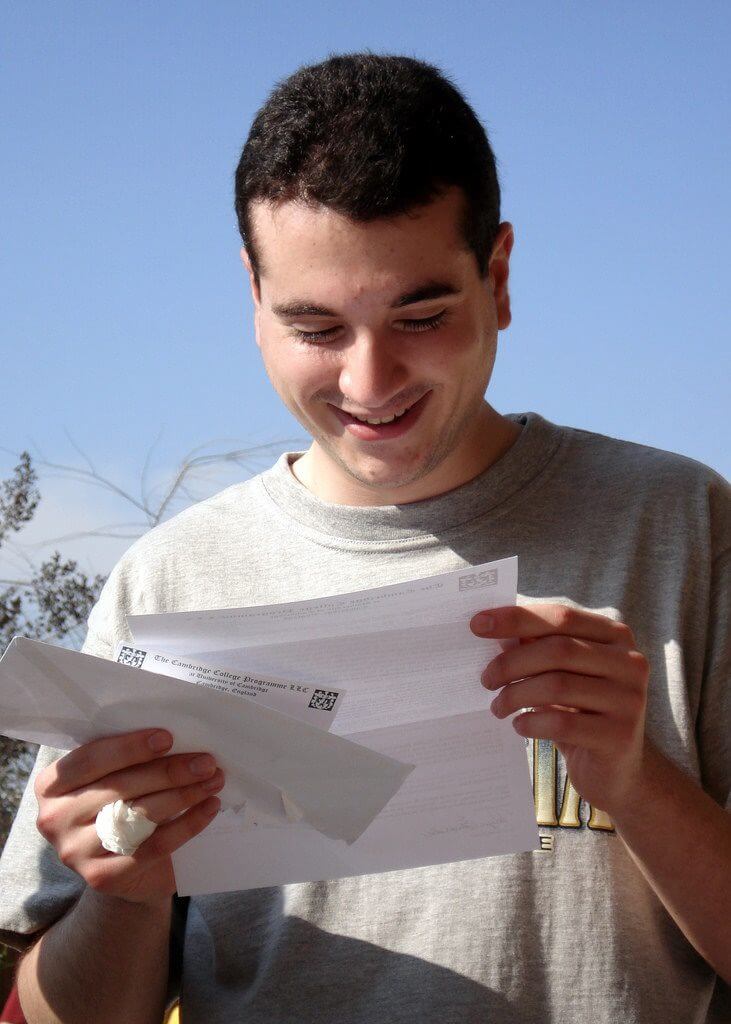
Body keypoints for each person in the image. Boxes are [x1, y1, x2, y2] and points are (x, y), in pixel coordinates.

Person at [0, 52, 729, 1024]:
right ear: (251, 296)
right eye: (314, 328)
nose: (368, 381)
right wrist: (126, 896)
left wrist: (637, 784)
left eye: (420, 315)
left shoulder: (680, 527)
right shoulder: (168, 584)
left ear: (498, 276)